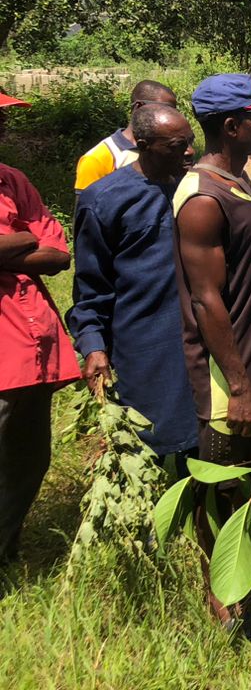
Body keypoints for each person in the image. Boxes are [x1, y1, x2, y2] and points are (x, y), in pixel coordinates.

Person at [172, 73, 251, 630]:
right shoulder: (203, 198)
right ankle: (222, 595)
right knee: (221, 484)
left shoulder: (240, 180)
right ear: (231, 126)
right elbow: (206, 300)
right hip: (230, 372)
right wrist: (240, 386)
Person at [68, 105, 199, 459]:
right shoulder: (107, 200)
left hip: (198, 337)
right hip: (143, 342)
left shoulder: (195, 188)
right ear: (143, 145)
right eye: (176, 145)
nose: (188, 151)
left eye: (189, 141)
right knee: (149, 442)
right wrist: (93, 345)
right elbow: (91, 283)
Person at [0, 90, 81, 564]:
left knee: (28, 458)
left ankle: (6, 545)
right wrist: (24, 240)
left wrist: (17, 242)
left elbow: (57, 253)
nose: (4, 130)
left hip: (31, 343)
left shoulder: (13, 181)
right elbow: (37, 242)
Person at [74, 79, 178, 194]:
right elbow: (87, 207)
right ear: (139, 107)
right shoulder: (97, 159)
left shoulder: (168, 150)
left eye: (174, 111)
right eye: (164, 109)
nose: (170, 116)